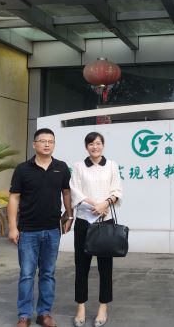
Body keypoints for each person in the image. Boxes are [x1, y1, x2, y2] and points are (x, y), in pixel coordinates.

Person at [8, 128, 73, 327]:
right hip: (28, 230)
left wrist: (70, 215)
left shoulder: (61, 167)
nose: (47, 144)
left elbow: (67, 193)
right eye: (43, 141)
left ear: (54, 144)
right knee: (27, 274)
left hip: (53, 230)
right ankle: (24, 315)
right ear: (34, 144)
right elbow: (14, 197)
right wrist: (13, 227)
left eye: (50, 141)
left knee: (47, 273)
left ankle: (44, 314)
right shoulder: (22, 169)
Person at [70, 132, 123, 327]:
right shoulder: (78, 166)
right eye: (91, 144)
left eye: (98, 143)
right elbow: (75, 191)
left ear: (103, 145)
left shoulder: (112, 165)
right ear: (86, 147)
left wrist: (105, 204)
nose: (95, 147)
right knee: (81, 266)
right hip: (84, 221)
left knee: (105, 267)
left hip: (105, 221)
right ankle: (81, 307)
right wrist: (95, 205)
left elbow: (117, 191)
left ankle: (103, 307)